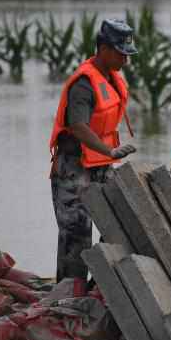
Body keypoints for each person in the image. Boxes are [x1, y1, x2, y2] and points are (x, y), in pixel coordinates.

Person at [48, 19, 138, 282]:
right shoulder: (84, 84)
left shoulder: (111, 79)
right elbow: (78, 126)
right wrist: (109, 152)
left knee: (120, 219)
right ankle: (68, 294)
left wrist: (108, 156)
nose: (126, 60)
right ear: (104, 49)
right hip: (74, 167)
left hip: (100, 165)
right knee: (76, 232)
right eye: (121, 54)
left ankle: (102, 285)